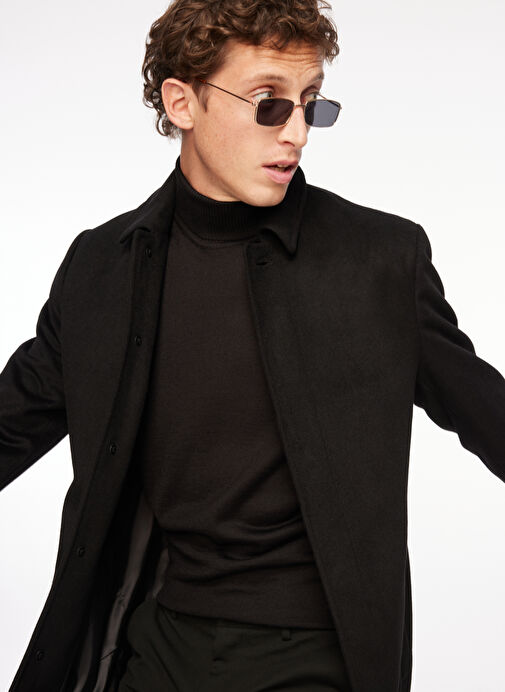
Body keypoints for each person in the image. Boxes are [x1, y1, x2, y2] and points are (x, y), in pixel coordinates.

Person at [2, 1, 505, 691]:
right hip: (152, 643)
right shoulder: (103, 267)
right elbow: (14, 420)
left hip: (316, 655)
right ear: (182, 102)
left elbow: (486, 412)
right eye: (269, 103)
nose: (296, 132)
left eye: (310, 103)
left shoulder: (378, 260)